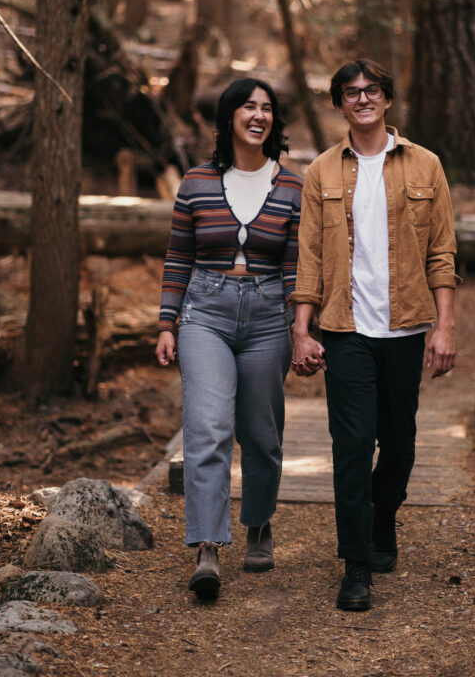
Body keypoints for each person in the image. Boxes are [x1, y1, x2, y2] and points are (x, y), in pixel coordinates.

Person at [291, 59, 460, 612]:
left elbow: (442, 253)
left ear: (387, 99)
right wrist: (302, 329)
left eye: (371, 90)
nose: (361, 99)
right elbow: (310, 257)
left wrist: (444, 328)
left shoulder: (426, 166)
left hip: (406, 325)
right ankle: (356, 563)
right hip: (345, 329)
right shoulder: (322, 172)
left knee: (400, 443)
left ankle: (383, 516)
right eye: (350, 92)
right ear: (339, 103)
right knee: (352, 446)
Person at [155, 77, 302, 601]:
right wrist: (167, 322)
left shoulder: (291, 187)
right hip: (205, 314)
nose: (258, 115)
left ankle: (258, 524)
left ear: (274, 122)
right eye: (248, 107)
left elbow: (294, 268)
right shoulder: (195, 182)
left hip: (267, 319)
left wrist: (299, 329)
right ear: (229, 118)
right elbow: (178, 257)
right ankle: (208, 547)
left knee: (262, 435)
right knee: (208, 426)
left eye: (267, 108)